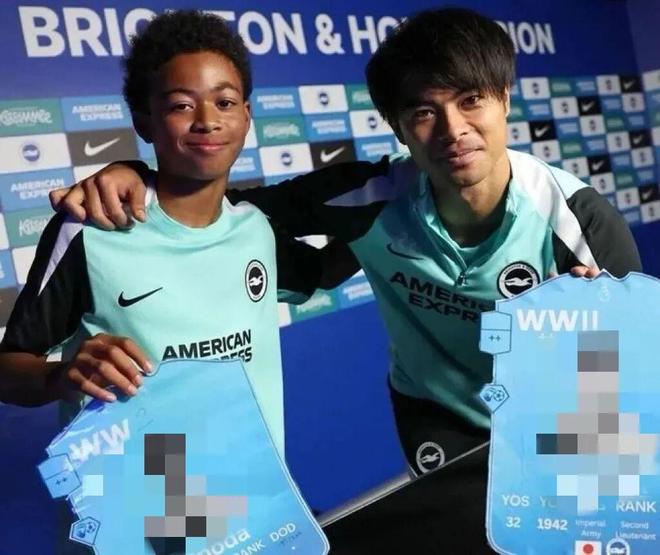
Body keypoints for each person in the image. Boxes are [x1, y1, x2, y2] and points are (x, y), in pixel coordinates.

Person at [50, 8, 642, 476]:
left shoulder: (577, 222)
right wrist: (134, 173)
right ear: (398, 127)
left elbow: (635, 376)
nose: (454, 130)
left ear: (505, 99)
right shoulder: (369, 198)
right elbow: (216, 205)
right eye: (424, 112)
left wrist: (601, 348)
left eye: (471, 101)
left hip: (555, 417)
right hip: (436, 414)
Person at [0, 10, 342, 463]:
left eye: (225, 102)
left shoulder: (254, 227)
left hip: (254, 488)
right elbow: (8, 369)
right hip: (138, 496)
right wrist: (60, 377)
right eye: (181, 105)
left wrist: (402, 220)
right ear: (144, 121)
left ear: (247, 116)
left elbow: (320, 273)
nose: (207, 121)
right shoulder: (91, 226)